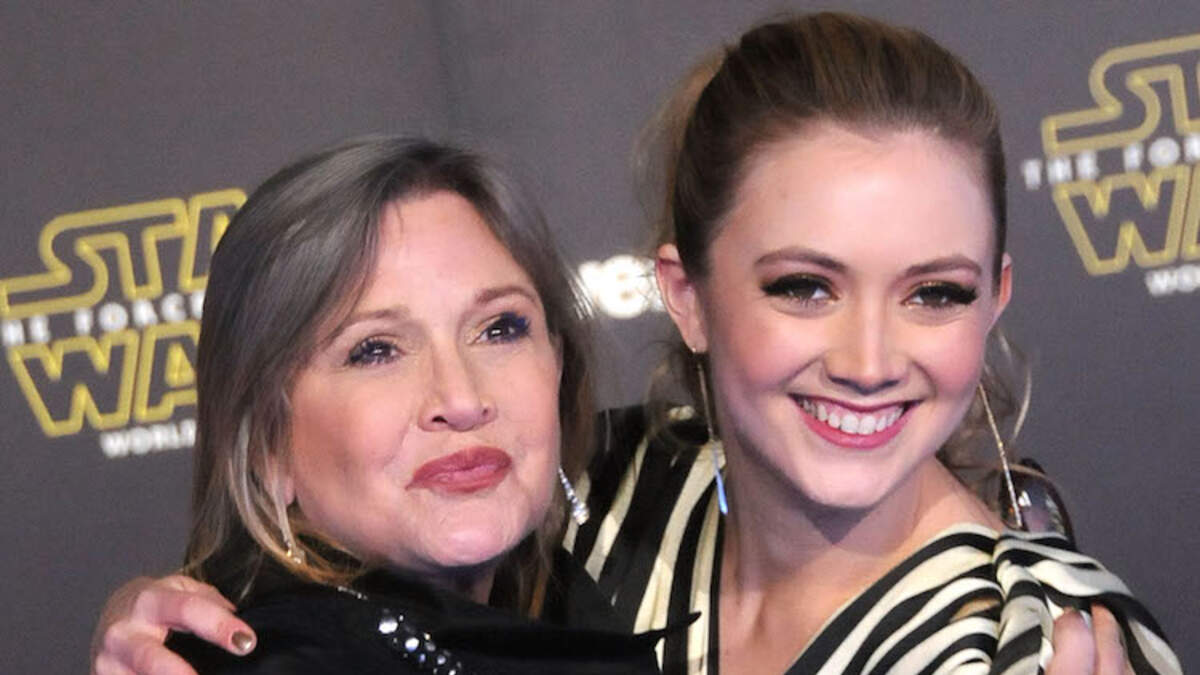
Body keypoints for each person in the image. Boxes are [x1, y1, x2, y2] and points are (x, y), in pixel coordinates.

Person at [91, 12, 1177, 675]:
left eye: (933, 293)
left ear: (994, 300)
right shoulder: (599, 501)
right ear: (687, 297)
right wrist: (175, 611)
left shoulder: (1038, 643)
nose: (868, 357)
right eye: (804, 286)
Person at [97, 136, 663, 674]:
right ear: (266, 440)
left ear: (559, 363)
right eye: (375, 351)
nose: (462, 400)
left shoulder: (583, 600)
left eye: (499, 328)